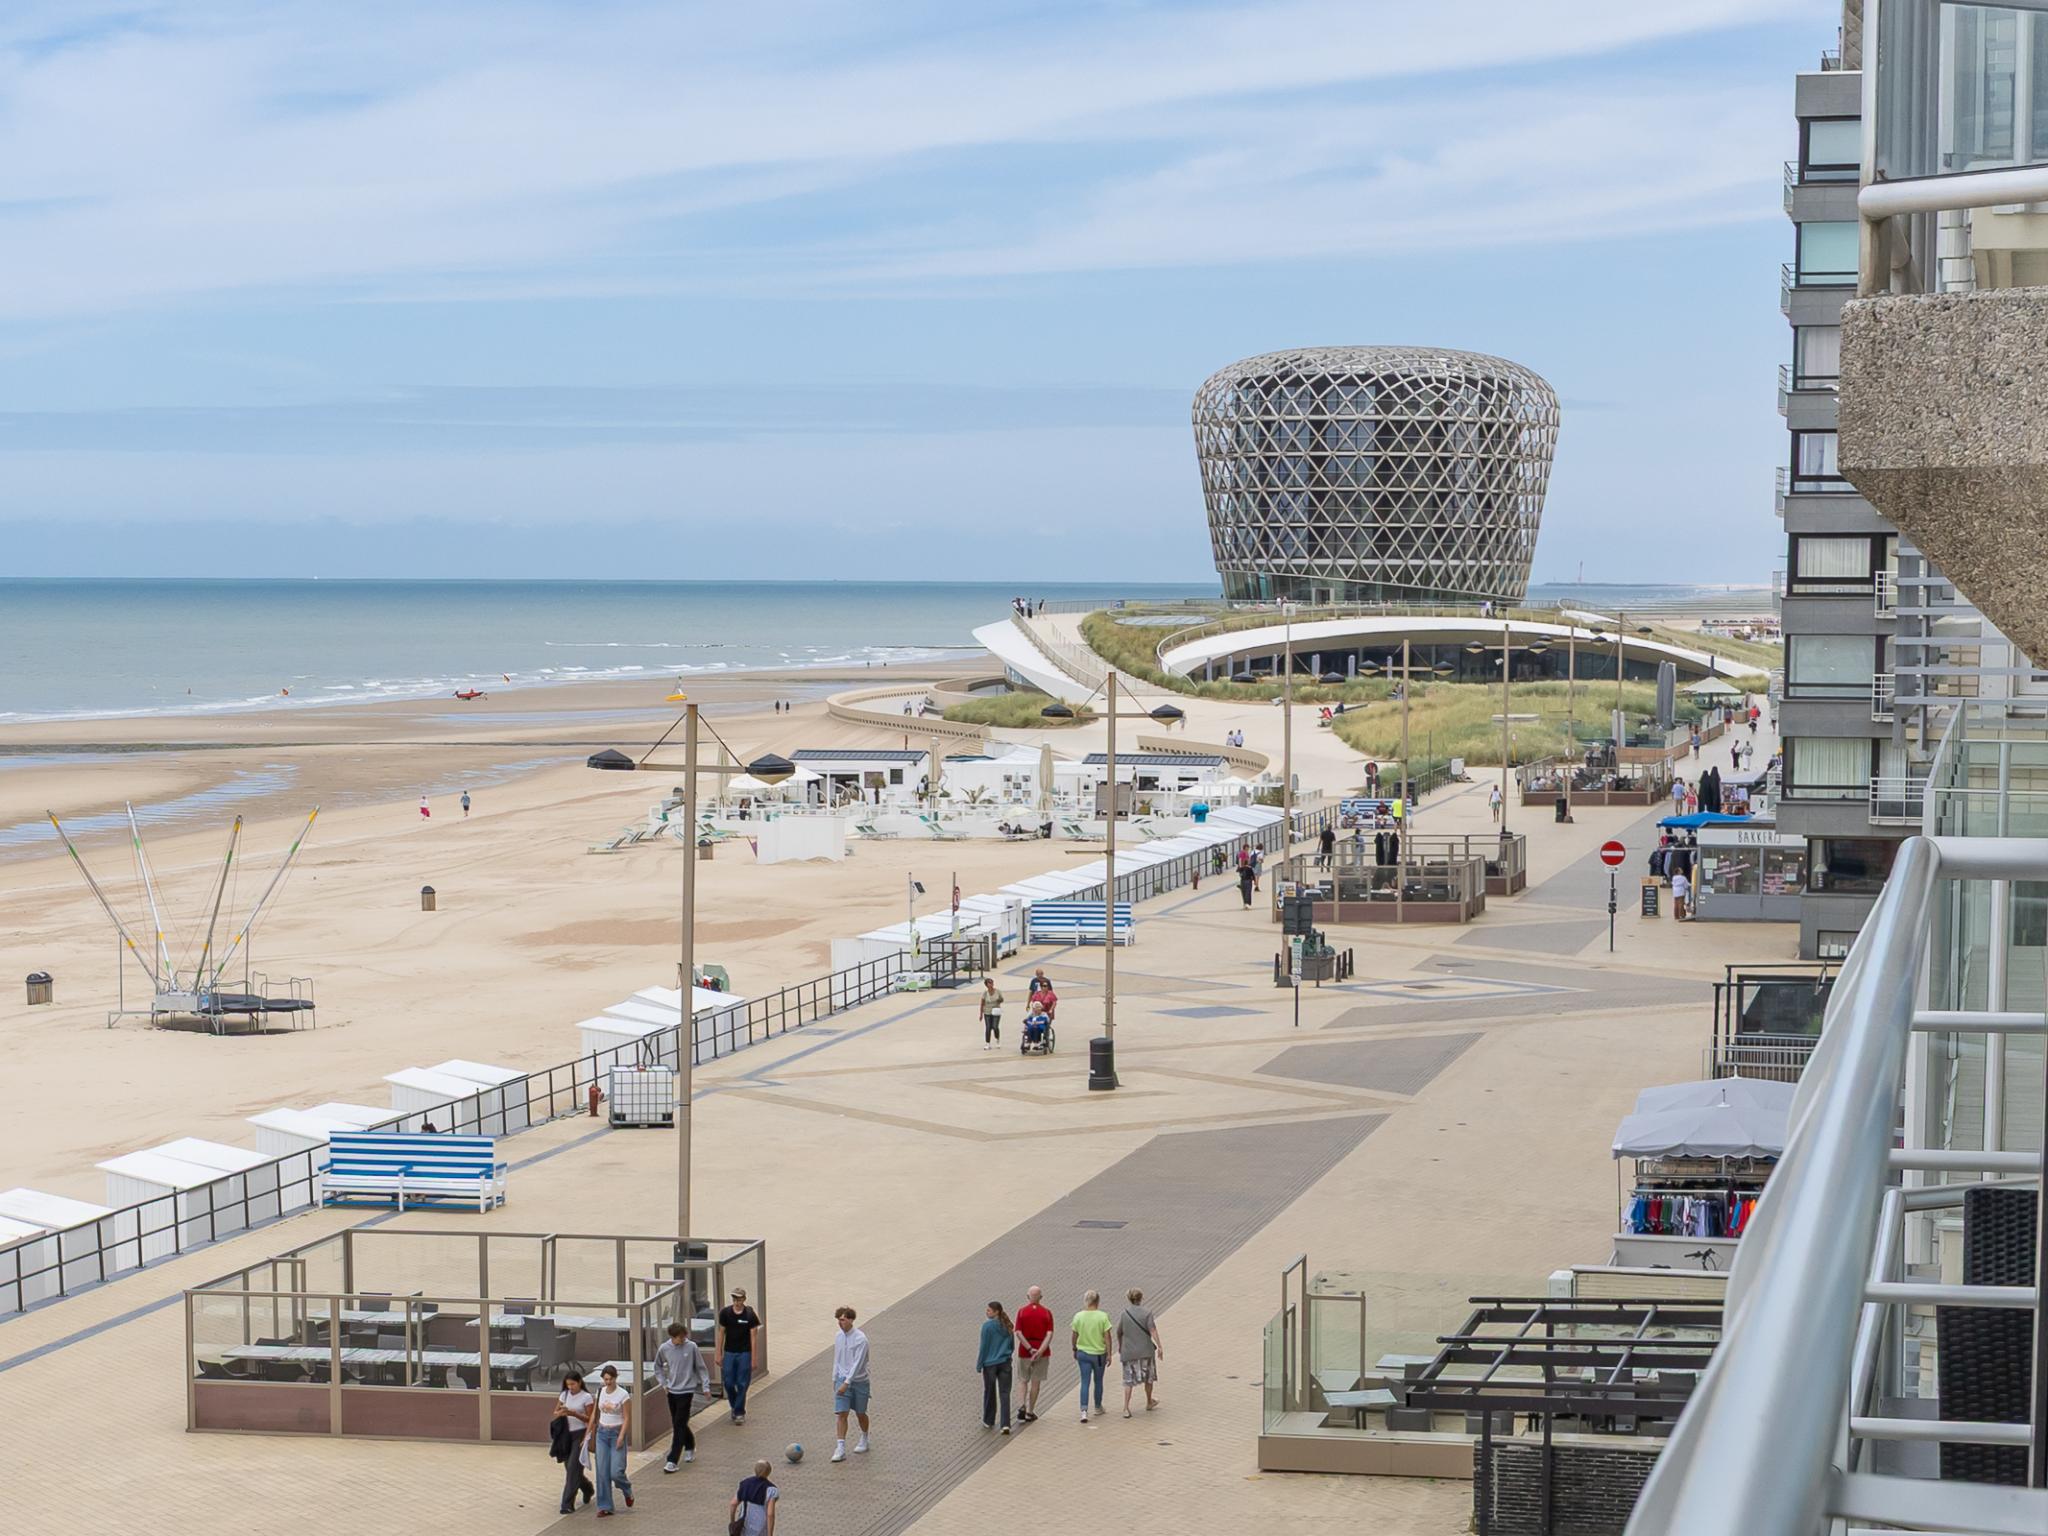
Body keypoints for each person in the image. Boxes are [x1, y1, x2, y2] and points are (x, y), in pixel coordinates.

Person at [656, 1320, 709, 1471]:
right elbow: (658, 1366)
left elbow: (701, 1368)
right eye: (680, 1337)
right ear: (673, 1337)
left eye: (684, 1336)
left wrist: (705, 1386)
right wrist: (664, 1383)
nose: (683, 1339)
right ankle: (690, 1444)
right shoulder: (664, 1348)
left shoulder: (692, 1347)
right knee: (678, 1423)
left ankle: (672, 1460)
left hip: (687, 1391)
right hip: (672, 1391)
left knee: (679, 1424)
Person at [550, 1369, 597, 1514]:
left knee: (573, 1468)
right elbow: (555, 1412)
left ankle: (567, 1504)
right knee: (569, 1467)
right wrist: (562, 1412)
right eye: (568, 1385)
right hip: (566, 1435)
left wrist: (574, 1414)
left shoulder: (586, 1397)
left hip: (580, 1434)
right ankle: (587, 1487)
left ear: (579, 1382)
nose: (570, 1387)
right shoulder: (564, 1395)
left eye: (573, 1384)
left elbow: (590, 1418)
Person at [591, 1364, 635, 1515]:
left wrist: (622, 1436)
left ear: (616, 1378)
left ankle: (626, 1488)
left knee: (616, 1471)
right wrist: (589, 1431)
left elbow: (627, 1417)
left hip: (616, 1433)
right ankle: (605, 1506)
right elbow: (595, 1414)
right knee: (602, 1472)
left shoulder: (623, 1395)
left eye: (610, 1379)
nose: (608, 1382)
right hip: (602, 1434)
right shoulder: (600, 1392)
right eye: (606, 1379)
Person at [830, 1305, 872, 1463]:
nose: (840, 1323)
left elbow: (857, 1364)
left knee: (861, 1413)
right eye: (838, 1320)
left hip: (859, 1381)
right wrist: (835, 1379)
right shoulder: (838, 1337)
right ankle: (840, 1447)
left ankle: (865, 1437)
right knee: (842, 1413)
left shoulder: (861, 1339)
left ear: (851, 1320)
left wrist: (847, 1383)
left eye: (843, 1320)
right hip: (842, 1379)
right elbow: (837, 1358)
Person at [717, 1287, 762, 1424]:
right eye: (735, 1299)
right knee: (729, 1382)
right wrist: (718, 1353)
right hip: (729, 1352)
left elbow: (753, 1337)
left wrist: (754, 1358)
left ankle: (739, 1412)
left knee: (742, 1383)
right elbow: (721, 1333)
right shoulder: (725, 1313)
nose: (737, 1302)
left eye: (739, 1299)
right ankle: (735, 1405)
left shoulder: (749, 1315)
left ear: (744, 1299)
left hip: (744, 1353)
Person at [1116, 1288, 1164, 1417]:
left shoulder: (1124, 1314)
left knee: (1128, 1381)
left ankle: (1126, 1408)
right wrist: (1159, 1346)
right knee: (1149, 1378)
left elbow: (1119, 1332)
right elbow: (1152, 1330)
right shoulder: (1147, 1313)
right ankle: (1149, 1401)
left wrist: (1120, 1346)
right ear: (1141, 1298)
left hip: (1129, 1352)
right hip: (1146, 1351)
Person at [1014, 1284, 1055, 1423]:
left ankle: (1021, 1405)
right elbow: (1049, 1334)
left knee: (1022, 1379)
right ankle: (1030, 1411)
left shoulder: (1021, 1312)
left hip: (1024, 1351)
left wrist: (1029, 1348)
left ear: (1028, 1297)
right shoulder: (1047, 1313)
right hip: (1042, 1351)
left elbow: (1018, 1332)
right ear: (1041, 1297)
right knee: (1036, 1382)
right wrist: (1040, 1350)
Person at [1072, 1290, 1112, 1422]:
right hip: (1099, 1354)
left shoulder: (1078, 1316)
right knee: (1098, 1381)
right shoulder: (1103, 1316)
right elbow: (1107, 1337)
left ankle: (1083, 1410)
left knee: (1085, 1381)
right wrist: (1109, 1353)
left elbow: (1074, 1335)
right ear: (1097, 1301)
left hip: (1083, 1353)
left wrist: (1074, 1348)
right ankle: (1098, 1406)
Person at [978, 1301, 1015, 1433]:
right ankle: (1005, 1424)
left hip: (990, 1364)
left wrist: (979, 1364)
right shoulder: (1007, 1325)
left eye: (989, 1310)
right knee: (1005, 1393)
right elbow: (1012, 1345)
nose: (987, 1312)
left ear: (996, 1312)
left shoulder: (987, 1326)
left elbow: (984, 1347)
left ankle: (989, 1420)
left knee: (990, 1392)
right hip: (1005, 1362)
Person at [730, 1461, 780, 1535]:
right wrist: (770, 1534)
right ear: (769, 1472)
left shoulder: (745, 1483)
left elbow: (733, 1504)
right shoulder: (771, 1490)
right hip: (760, 1527)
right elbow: (770, 1514)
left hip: (744, 1524)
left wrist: (732, 1521)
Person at [977, 976, 1003, 1050]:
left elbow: (1001, 999)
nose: (991, 985)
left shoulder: (998, 991)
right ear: (986, 985)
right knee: (988, 1027)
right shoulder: (985, 993)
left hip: (996, 1011)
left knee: (995, 1027)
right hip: (987, 1012)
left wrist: (999, 1000)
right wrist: (981, 1014)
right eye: (989, 983)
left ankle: (997, 1039)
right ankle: (987, 1043)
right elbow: (982, 1004)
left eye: (991, 983)